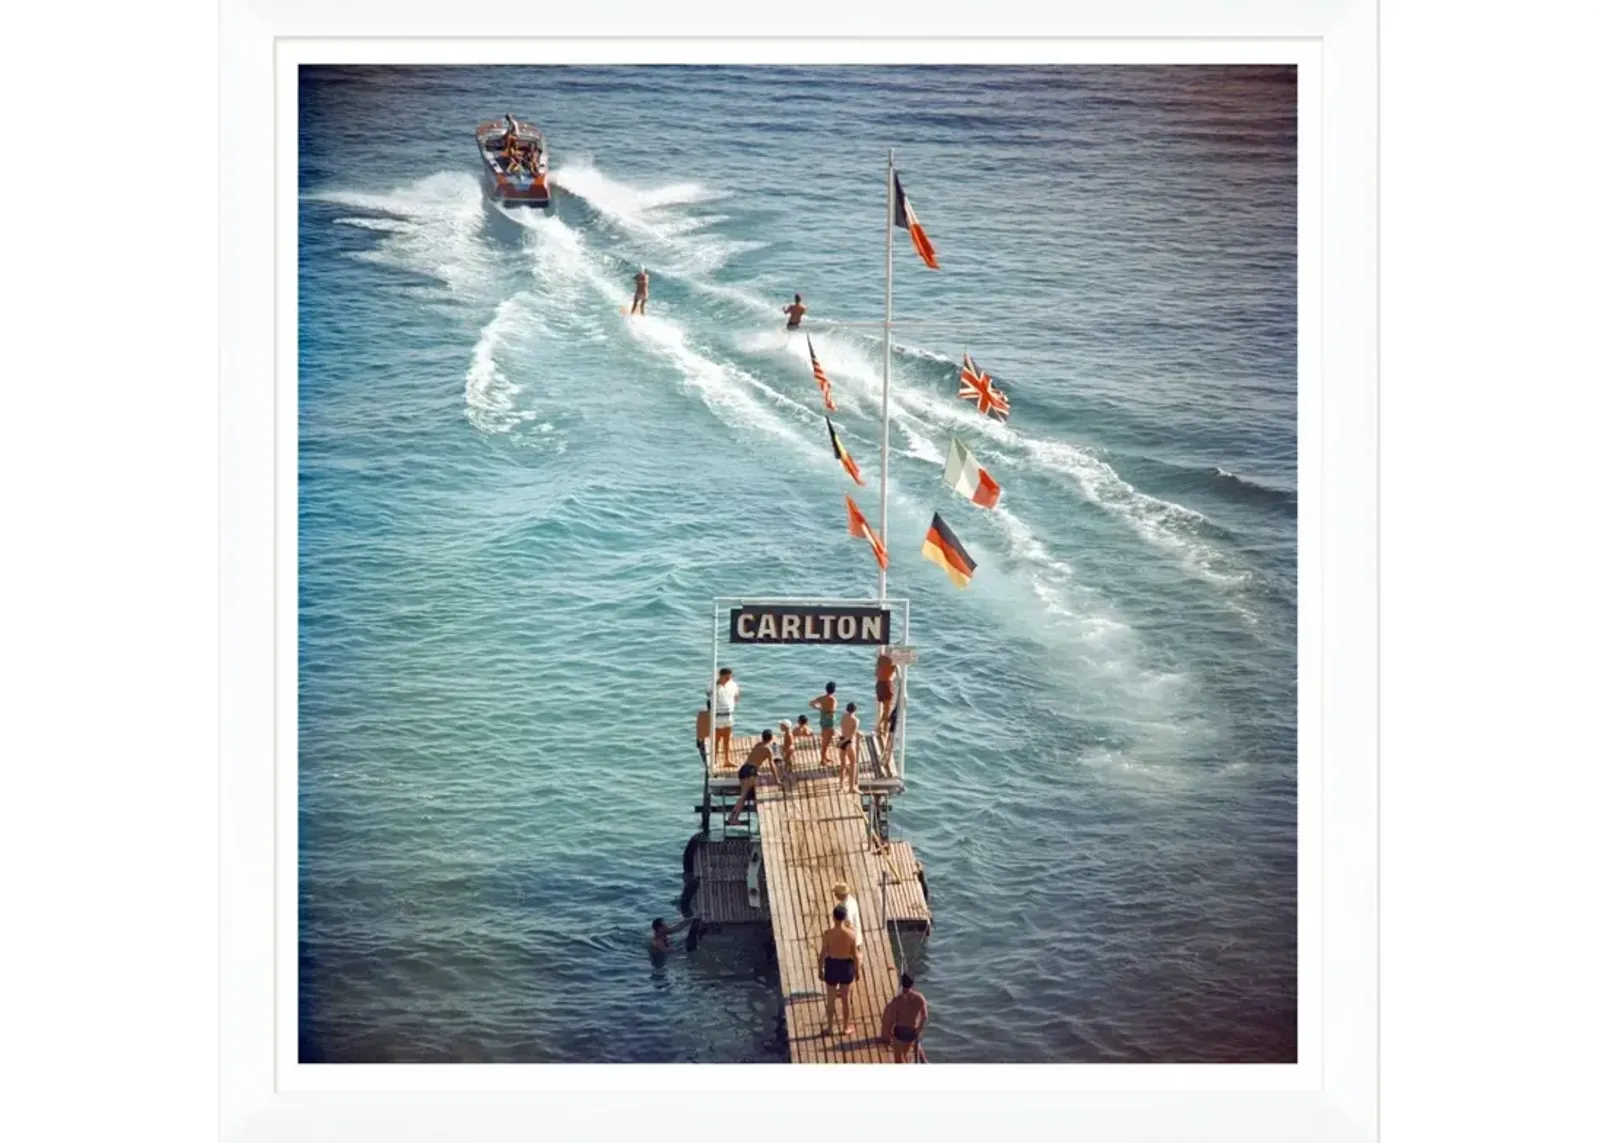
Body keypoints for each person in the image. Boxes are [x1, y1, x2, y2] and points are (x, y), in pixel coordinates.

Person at [816, 903, 862, 1036]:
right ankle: (845, 1027)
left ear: (833, 918)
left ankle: (830, 1028)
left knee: (830, 999)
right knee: (845, 999)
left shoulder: (828, 934)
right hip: (845, 966)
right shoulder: (851, 935)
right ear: (844, 918)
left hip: (831, 966)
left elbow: (822, 954)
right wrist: (857, 970)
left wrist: (820, 970)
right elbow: (855, 955)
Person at [725, 729, 775, 827]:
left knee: (743, 797)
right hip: (750, 772)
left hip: (743, 769)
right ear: (771, 738)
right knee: (743, 797)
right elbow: (771, 765)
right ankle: (733, 818)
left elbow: (754, 758)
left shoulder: (758, 745)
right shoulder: (768, 749)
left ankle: (732, 817)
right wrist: (776, 779)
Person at [879, 973, 928, 1062]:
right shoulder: (920, 998)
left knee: (899, 1060)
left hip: (899, 1032)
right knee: (905, 1055)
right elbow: (925, 1016)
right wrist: (919, 1028)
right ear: (912, 984)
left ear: (901, 984)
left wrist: (889, 1035)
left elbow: (891, 1020)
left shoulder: (897, 1001)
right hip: (912, 1032)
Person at [706, 667, 739, 768]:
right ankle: (714, 760)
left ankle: (726, 760)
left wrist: (733, 702)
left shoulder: (732, 685)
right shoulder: (714, 686)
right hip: (718, 717)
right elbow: (708, 693)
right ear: (721, 676)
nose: (728, 679)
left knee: (727, 739)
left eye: (729, 677)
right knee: (716, 739)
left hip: (728, 716)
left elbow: (737, 694)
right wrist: (717, 681)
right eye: (726, 677)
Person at [808, 681, 838, 765]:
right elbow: (833, 710)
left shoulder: (822, 698)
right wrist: (830, 713)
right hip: (829, 722)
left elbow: (811, 703)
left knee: (825, 740)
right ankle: (822, 760)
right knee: (826, 742)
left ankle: (825, 757)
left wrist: (820, 708)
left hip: (822, 720)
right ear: (834, 690)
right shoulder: (833, 699)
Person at [874, 648, 896, 744]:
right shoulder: (893, 661)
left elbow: (876, 673)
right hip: (887, 685)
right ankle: (884, 731)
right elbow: (892, 674)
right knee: (887, 711)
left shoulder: (880, 658)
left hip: (879, 685)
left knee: (885, 708)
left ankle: (879, 726)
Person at [838, 702, 861, 791]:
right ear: (855, 710)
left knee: (843, 765)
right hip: (849, 743)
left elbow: (844, 729)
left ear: (847, 709)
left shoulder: (843, 717)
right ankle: (851, 788)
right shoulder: (856, 720)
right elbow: (851, 735)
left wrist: (841, 742)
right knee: (853, 765)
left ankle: (841, 785)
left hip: (842, 740)